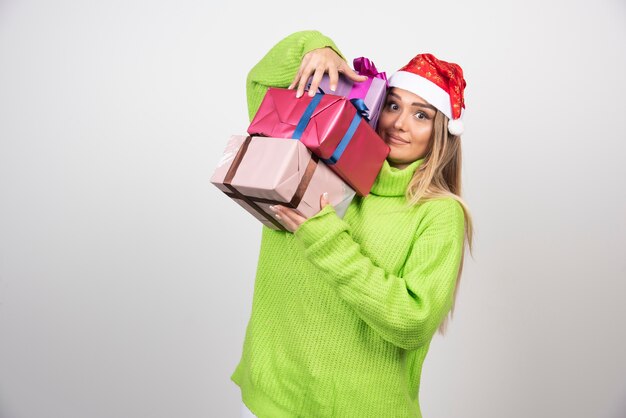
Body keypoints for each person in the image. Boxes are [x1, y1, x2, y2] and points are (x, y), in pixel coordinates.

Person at [232, 30, 474, 418]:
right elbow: (261, 86)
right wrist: (315, 47)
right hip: (271, 399)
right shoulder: (317, 159)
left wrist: (325, 237)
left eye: (421, 114)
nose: (399, 123)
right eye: (392, 105)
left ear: (441, 134)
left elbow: (412, 322)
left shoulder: (439, 213)